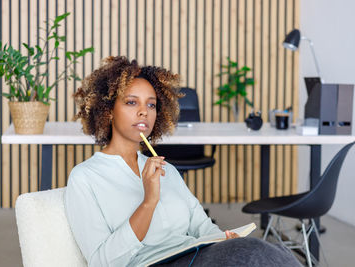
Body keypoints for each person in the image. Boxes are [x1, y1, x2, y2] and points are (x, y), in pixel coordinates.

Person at [65, 56, 301, 267]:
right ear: (107, 110)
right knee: (252, 253)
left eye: (151, 104)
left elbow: (203, 228)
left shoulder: (166, 170)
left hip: (196, 255)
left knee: (274, 250)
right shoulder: (85, 177)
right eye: (131, 102)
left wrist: (224, 239)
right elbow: (102, 262)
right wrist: (149, 202)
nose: (143, 112)